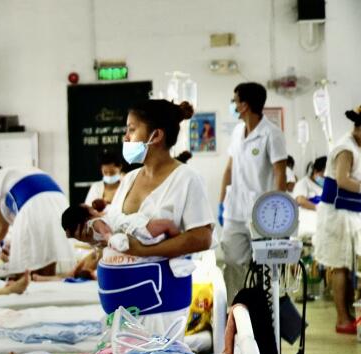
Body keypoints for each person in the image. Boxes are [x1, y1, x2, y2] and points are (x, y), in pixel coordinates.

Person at [84, 99, 215, 335]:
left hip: (162, 304)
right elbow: (117, 227)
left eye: (132, 129)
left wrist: (143, 251)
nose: (125, 137)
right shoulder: (130, 179)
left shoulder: (186, 179)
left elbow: (202, 237)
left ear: (155, 136)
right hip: (119, 304)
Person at [220, 82, 288, 302]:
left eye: (235, 100)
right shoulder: (237, 131)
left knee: (265, 271)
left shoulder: (272, 134)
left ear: (244, 105)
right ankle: (235, 311)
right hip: (234, 212)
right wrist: (222, 202)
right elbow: (229, 169)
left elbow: (280, 173)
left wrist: (277, 214)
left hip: (262, 215)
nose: (233, 104)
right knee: (232, 263)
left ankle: (264, 316)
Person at [312, 107, 361, 333]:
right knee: (340, 266)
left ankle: (349, 314)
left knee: (348, 265)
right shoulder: (346, 148)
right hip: (336, 214)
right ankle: (342, 319)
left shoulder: (356, 145)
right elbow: (342, 180)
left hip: (349, 212)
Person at [0, 164, 74, 277]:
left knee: (23, 268)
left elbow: (2, 226)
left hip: (34, 205)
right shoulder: (17, 173)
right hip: (61, 203)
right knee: (50, 254)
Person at [61, 202, 182, 251]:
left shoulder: (93, 231)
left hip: (130, 231)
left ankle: (178, 250)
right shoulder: (95, 223)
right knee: (168, 225)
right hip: (132, 228)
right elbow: (107, 233)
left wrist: (111, 240)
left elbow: (106, 236)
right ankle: (181, 251)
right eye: (90, 208)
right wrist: (113, 240)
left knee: (166, 227)